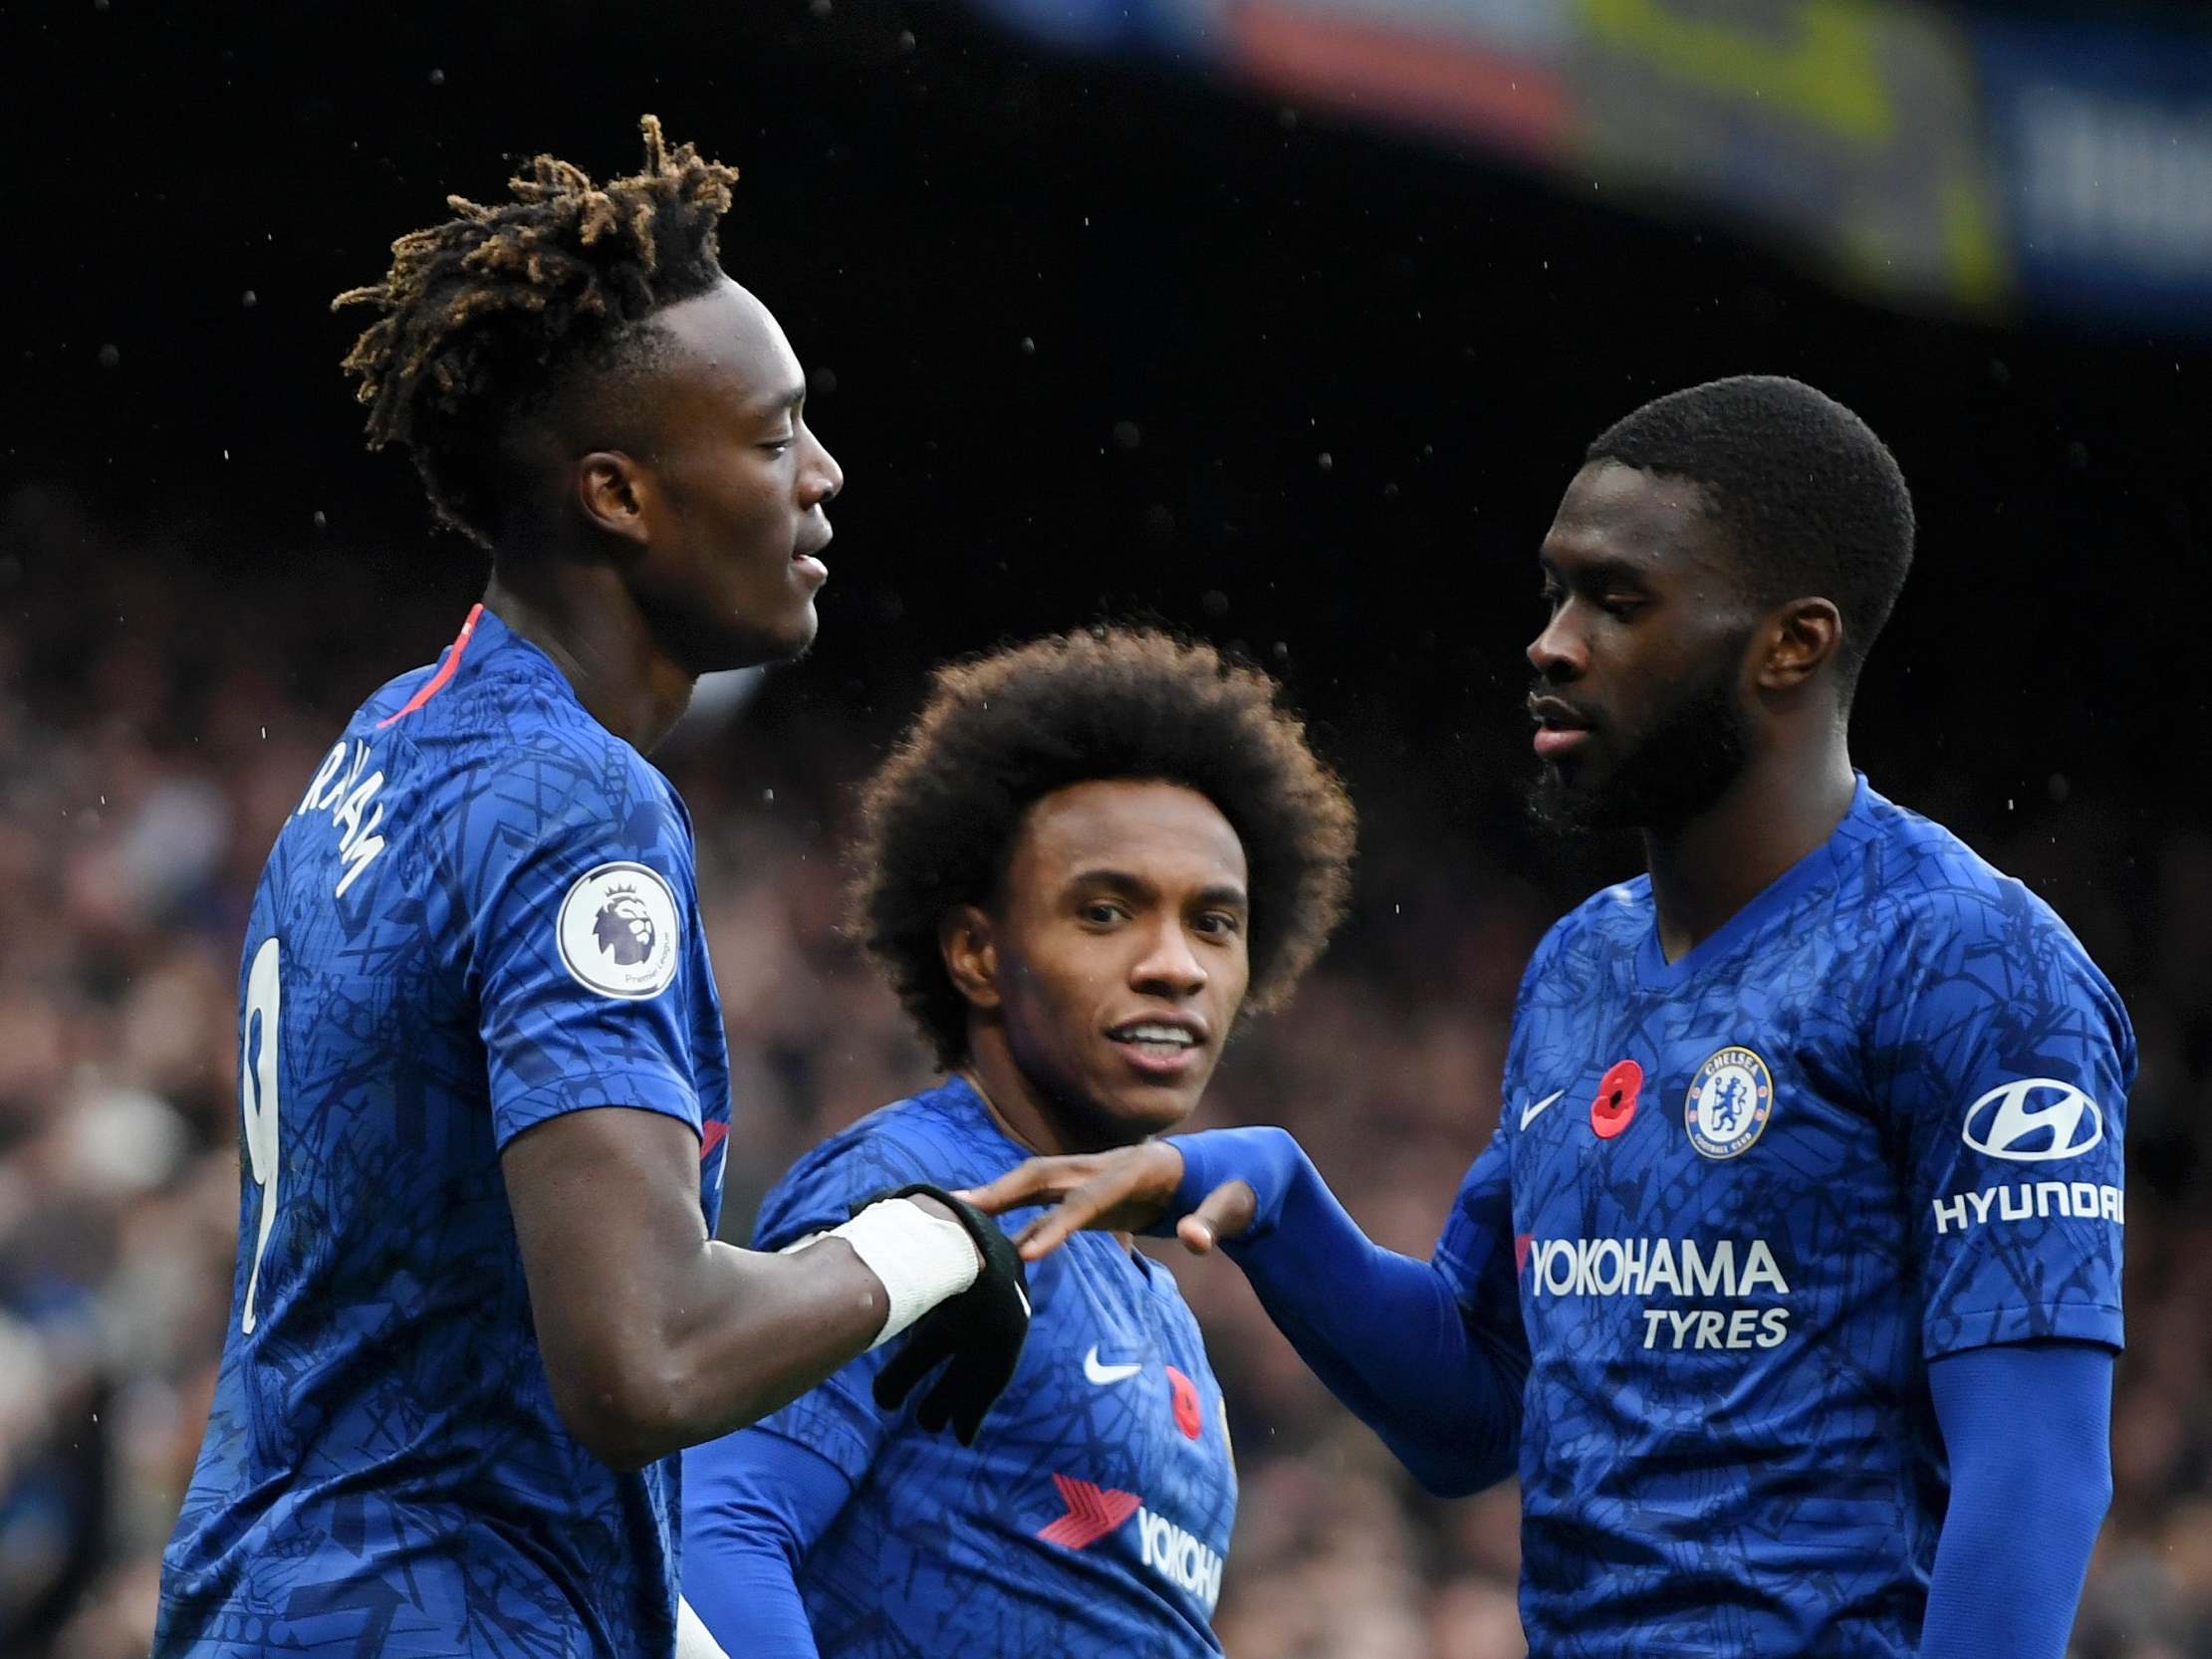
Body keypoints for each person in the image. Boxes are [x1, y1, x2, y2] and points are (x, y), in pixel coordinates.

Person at [966, 376, 2130, 1659]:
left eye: (1619, 602)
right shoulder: (1583, 967)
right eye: (1556, 592)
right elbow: (1474, 1413)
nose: (1553, 642)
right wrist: (1280, 1204)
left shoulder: (1974, 967)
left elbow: (2036, 1476)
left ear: (1791, 644)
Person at [154, 118, 1030, 1659]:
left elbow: (456, 1298)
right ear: (618, 495)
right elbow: (640, 1362)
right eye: (772, 436)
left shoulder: (387, 741)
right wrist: (931, 1247)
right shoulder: (576, 800)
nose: (823, 476)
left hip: (274, 1589)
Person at [680, 627, 1356, 1657]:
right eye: (1105, 911)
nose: (1175, 965)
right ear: (976, 954)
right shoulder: (916, 1196)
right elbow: (717, 1536)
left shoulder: (1158, 1301)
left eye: (1214, 924)